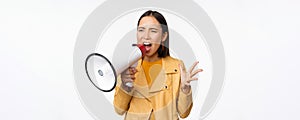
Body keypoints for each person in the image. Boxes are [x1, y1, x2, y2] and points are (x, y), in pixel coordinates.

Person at [113, 10, 203, 120]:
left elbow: (184, 113)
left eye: (153, 31)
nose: (146, 36)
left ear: (164, 36)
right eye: (141, 30)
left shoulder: (177, 66)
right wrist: (125, 85)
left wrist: (185, 88)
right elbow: (119, 110)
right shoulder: (126, 65)